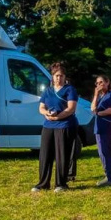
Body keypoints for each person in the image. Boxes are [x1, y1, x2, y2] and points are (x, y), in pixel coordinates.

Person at [32, 62, 78, 193]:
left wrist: (58, 117)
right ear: (52, 77)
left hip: (65, 125)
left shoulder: (70, 90)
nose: (59, 78)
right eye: (57, 75)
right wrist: (46, 113)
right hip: (48, 125)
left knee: (62, 154)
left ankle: (61, 183)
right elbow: (41, 107)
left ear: (65, 77)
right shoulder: (48, 91)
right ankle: (43, 183)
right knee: (45, 154)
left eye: (61, 76)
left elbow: (71, 108)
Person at [92, 75, 111, 187]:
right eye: (97, 83)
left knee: (106, 152)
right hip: (99, 128)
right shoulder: (99, 96)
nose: (99, 85)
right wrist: (95, 95)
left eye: (101, 82)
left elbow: (110, 110)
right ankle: (108, 174)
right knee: (102, 152)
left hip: (107, 127)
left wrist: (99, 113)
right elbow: (92, 108)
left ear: (107, 82)